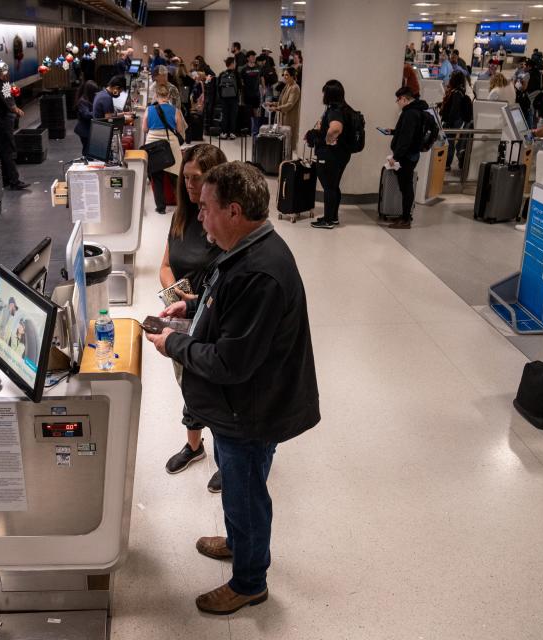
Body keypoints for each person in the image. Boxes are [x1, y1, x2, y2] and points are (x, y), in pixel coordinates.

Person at [144, 161, 320, 615]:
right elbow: (223, 305)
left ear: (235, 211)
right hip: (237, 407)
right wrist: (189, 308)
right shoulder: (245, 247)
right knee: (239, 482)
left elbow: (229, 361)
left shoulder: (260, 271)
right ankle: (239, 542)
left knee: (245, 493)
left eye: (205, 208)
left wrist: (174, 345)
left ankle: (249, 582)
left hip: (251, 410)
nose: (198, 216)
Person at [160, 144, 228, 490]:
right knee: (187, 384)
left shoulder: (222, 221)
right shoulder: (181, 216)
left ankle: (226, 459)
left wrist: (196, 304)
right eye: (185, 177)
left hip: (215, 320)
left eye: (196, 178)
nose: (188, 185)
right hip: (184, 319)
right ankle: (194, 445)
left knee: (216, 391)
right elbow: (166, 266)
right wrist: (178, 303)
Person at [386, 86, 430, 230]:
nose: (397, 102)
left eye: (398, 99)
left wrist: (396, 157)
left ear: (404, 99)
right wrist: (393, 132)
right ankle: (405, 216)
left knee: (406, 188)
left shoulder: (410, 114)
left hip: (406, 156)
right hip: (412, 154)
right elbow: (409, 132)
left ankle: (405, 220)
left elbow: (406, 138)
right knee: (406, 187)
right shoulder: (418, 111)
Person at [309, 81, 351, 230]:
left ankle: (327, 220)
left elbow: (335, 129)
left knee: (328, 187)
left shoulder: (334, 110)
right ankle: (333, 217)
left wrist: (326, 141)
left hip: (330, 155)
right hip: (342, 154)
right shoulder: (344, 108)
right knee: (334, 186)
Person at [142, 84, 185, 214]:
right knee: (175, 175)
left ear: (156, 95)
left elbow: (145, 129)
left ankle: (160, 208)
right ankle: (181, 205)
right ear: (169, 96)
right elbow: (179, 129)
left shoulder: (149, 109)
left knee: (157, 176)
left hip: (153, 145)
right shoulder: (175, 110)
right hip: (170, 143)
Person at [0, 61, 26, 190]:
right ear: (2, 73)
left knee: (1, 152)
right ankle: (15, 181)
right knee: (8, 151)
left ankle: (4, 180)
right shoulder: (4, 85)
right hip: (1, 122)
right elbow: (12, 106)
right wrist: (19, 111)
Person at [440, 71, 472, 170]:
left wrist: (448, 123)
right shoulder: (461, 91)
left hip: (453, 121)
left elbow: (454, 110)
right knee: (450, 141)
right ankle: (446, 163)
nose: (449, 79)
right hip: (456, 120)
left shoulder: (456, 93)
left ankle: (446, 163)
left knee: (449, 142)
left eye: (451, 77)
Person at [266, 66, 301, 145]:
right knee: (282, 143)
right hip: (283, 117)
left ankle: (288, 157)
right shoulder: (287, 85)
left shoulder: (295, 88)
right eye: (284, 75)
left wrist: (276, 108)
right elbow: (282, 102)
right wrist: (272, 104)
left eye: (287, 75)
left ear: (292, 76)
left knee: (288, 143)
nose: (284, 77)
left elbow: (289, 104)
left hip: (289, 118)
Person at [239, 50, 263, 138]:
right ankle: (248, 130)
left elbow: (262, 78)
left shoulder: (259, 67)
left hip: (256, 94)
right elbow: (241, 81)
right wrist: (242, 92)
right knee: (248, 112)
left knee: (256, 112)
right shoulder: (244, 69)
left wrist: (263, 89)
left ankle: (256, 131)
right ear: (248, 58)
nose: (253, 58)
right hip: (247, 94)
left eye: (254, 56)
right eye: (252, 56)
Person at [74, 80, 98, 157]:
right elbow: (86, 115)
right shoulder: (82, 101)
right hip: (84, 130)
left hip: (88, 129)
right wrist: (98, 112)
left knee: (89, 149)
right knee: (87, 150)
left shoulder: (88, 99)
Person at [217, 58, 241, 139]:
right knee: (233, 115)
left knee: (225, 115)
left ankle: (224, 133)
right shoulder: (236, 74)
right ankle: (232, 133)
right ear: (232, 64)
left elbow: (218, 88)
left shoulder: (221, 74)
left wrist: (221, 97)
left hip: (224, 99)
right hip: (234, 98)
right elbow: (240, 86)